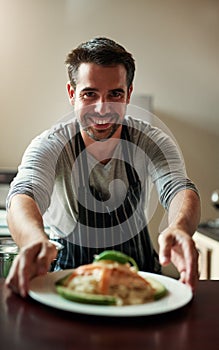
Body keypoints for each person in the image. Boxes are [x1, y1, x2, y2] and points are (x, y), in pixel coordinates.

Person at [5, 37, 200, 297]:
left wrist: (179, 228)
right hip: (67, 284)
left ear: (129, 93)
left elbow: (178, 187)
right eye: (90, 94)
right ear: (72, 94)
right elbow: (24, 193)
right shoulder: (50, 145)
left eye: (115, 94)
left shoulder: (150, 140)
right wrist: (32, 239)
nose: (102, 108)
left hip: (139, 284)